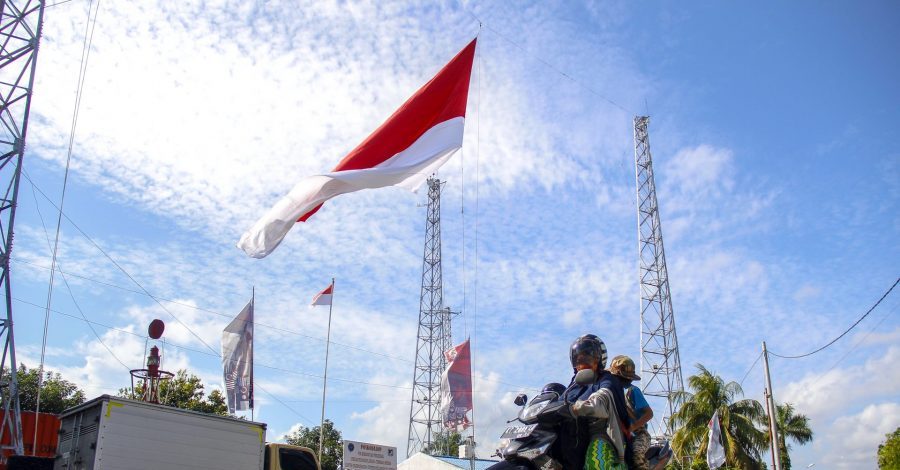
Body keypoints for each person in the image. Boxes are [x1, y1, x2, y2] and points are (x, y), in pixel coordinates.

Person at [564, 334, 633, 470]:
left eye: (588, 358)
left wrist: (578, 407)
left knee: (596, 460)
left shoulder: (607, 379)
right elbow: (562, 400)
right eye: (578, 359)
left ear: (598, 360)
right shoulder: (574, 384)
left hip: (601, 431)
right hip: (574, 433)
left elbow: (603, 397)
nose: (582, 362)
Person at [609, 355, 653, 470]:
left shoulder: (632, 391)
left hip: (638, 434)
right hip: (619, 434)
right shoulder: (609, 392)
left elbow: (649, 414)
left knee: (636, 455)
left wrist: (632, 427)